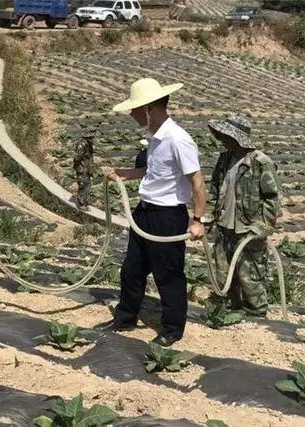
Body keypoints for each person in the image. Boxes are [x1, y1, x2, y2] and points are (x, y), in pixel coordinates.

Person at [101, 78, 207, 347]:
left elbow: (197, 182)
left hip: (168, 216)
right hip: (145, 213)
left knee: (168, 274)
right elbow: (154, 172)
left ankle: (172, 329)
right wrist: (126, 174)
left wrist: (197, 220)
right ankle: (125, 318)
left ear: (150, 108)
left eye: (135, 109)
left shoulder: (178, 139)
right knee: (132, 269)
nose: (132, 114)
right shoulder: (154, 137)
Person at [208, 116, 282, 317]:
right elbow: (214, 188)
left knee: (249, 273)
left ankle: (256, 313)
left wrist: (262, 226)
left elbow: (272, 198)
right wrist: (209, 217)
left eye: (226, 136)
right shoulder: (224, 159)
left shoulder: (261, 163)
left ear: (237, 138)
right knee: (222, 271)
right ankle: (228, 307)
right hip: (224, 225)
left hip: (248, 228)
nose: (223, 140)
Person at [73, 135, 94, 209]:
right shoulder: (81, 144)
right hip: (82, 168)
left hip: (87, 167)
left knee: (87, 184)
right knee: (82, 184)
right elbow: (77, 157)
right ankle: (80, 203)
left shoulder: (88, 143)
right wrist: (79, 166)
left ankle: (84, 200)